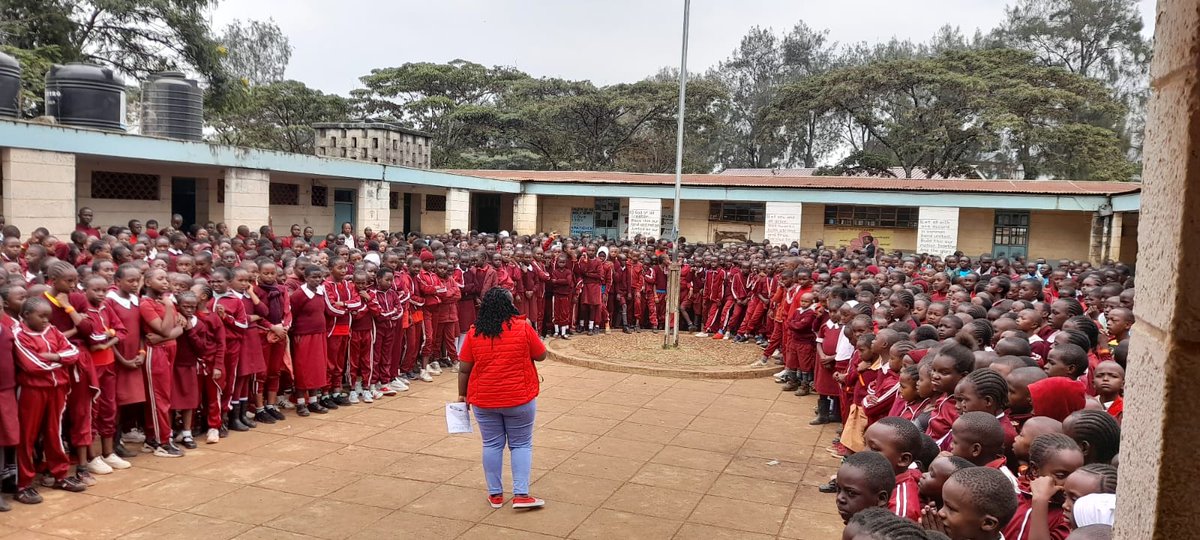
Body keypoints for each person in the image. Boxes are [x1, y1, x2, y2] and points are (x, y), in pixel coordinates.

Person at [457, 287, 546, 509]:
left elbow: (464, 369)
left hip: (484, 399)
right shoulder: (523, 328)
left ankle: (495, 495)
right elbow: (541, 355)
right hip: (520, 398)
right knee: (521, 444)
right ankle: (521, 495)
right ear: (510, 306)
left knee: (492, 444)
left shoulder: (474, 331)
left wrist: (462, 395)